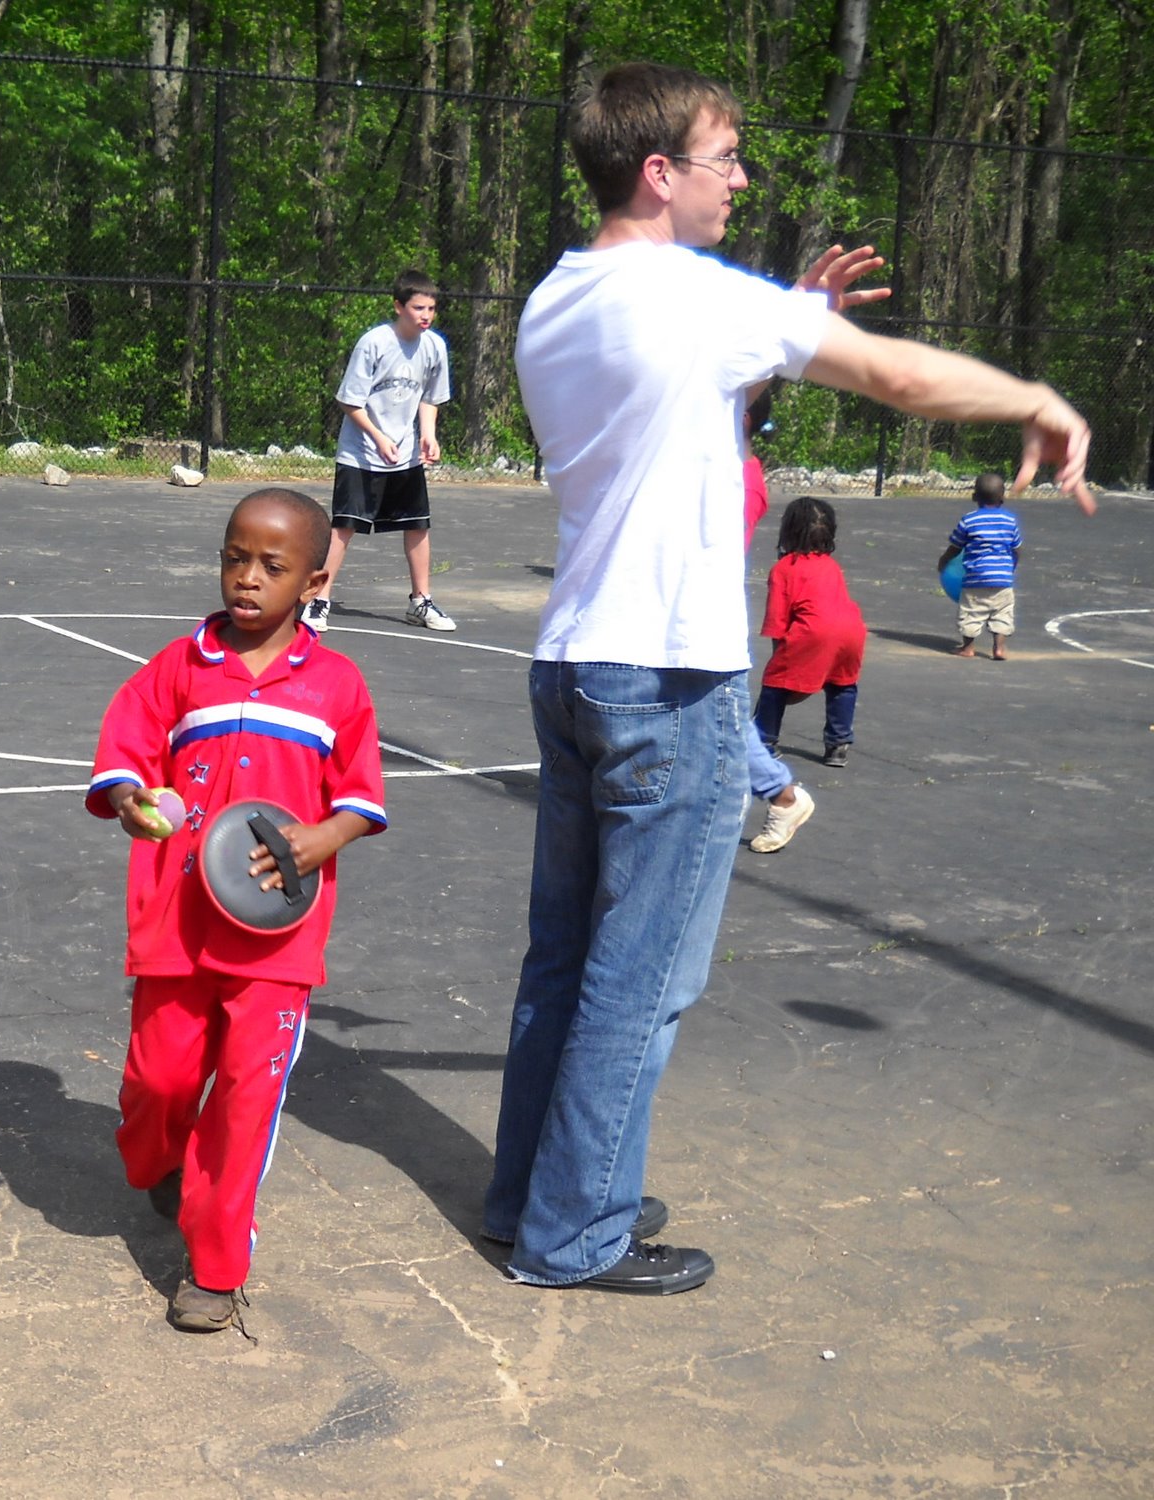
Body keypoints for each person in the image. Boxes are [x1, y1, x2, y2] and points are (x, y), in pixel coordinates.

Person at [485, 59, 1094, 1297]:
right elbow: (899, 378)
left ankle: (534, 1197)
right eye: (725, 159)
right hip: (670, 677)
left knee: (565, 960)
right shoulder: (697, 296)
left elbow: (682, 405)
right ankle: (577, 1231)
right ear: (659, 171)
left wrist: (783, 318)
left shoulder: (556, 295)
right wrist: (1032, 395)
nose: (742, 180)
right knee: (642, 973)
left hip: (576, 660)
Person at [85, 487, 386, 1334]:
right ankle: (158, 1161)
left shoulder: (335, 685)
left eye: (272, 566)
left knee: (245, 1103)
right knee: (160, 1082)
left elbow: (361, 799)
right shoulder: (180, 667)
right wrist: (131, 801)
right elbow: (126, 754)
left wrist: (324, 837)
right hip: (176, 925)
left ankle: (215, 1268)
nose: (248, 578)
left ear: (314, 581)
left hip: (275, 942)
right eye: (234, 558)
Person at [307, 269, 455, 633]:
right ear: (398, 306)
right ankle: (319, 600)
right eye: (418, 308)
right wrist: (377, 437)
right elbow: (349, 401)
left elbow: (430, 397)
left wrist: (428, 434)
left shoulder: (434, 347)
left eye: (431, 308)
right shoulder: (374, 343)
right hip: (361, 453)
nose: (426, 315)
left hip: (404, 456)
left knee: (417, 525)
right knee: (345, 525)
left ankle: (420, 601)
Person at [741, 387, 817, 854]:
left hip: (701, 626)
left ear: (743, 420)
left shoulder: (742, 482)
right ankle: (777, 793)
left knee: (722, 720)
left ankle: (782, 795)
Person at [752, 496, 867, 767]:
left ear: (788, 531)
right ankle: (838, 745)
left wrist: (781, 664)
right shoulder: (831, 565)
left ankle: (763, 741)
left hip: (814, 631)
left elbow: (778, 621)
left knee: (774, 685)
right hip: (852, 631)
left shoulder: (784, 569)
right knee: (842, 683)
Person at [939, 471, 1021, 660]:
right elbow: (1016, 549)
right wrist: (1011, 567)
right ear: (1003, 497)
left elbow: (955, 547)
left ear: (974, 496)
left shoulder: (969, 520)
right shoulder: (1010, 521)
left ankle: (968, 648)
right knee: (1002, 613)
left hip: (975, 579)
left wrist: (944, 561)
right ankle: (999, 648)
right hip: (1003, 581)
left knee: (970, 613)